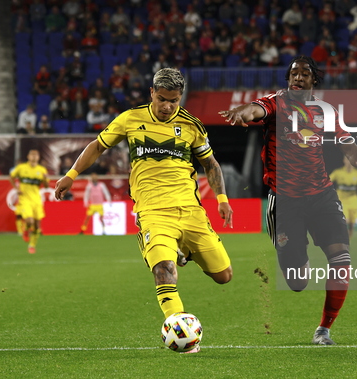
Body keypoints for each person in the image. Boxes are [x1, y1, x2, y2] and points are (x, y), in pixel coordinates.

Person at [55, 68, 233, 353]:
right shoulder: (130, 119)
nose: (167, 106)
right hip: (152, 212)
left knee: (224, 275)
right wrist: (71, 174)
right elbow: (97, 147)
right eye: (162, 99)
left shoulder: (192, 126)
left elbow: (210, 164)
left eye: (173, 101)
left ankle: (185, 251)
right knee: (163, 268)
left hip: (191, 211)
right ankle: (178, 327)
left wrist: (222, 198)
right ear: (151, 92)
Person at [218, 56, 357, 345]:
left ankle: (324, 329)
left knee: (342, 260)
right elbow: (256, 109)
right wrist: (244, 112)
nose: (298, 78)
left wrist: (355, 153)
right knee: (298, 282)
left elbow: (343, 138)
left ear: (314, 81)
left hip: (322, 195)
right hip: (286, 201)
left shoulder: (324, 111)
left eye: (304, 74)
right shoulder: (277, 103)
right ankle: (293, 253)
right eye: (293, 73)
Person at [9, 150, 49, 254]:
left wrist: (45, 180)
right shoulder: (21, 168)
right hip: (25, 199)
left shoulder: (42, 170)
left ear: (39, 157)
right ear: (28, 156)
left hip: (36, 199)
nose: (34, 156)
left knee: (36, 225)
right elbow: (11, 177)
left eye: (36, 155)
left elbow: (46, 187)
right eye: (32, 154)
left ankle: (32, 245)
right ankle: (25, 229)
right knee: (30, 220)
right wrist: (16, 188)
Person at [330, 156, 357, 238]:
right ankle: (343, 239)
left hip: (353, 200)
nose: (349, 162)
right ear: (344, 161)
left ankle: (348, 240)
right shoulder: (338, 172)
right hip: (342, 199)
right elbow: (328, 181)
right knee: (345, 220)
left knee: (351, 223)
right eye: (347, 159)